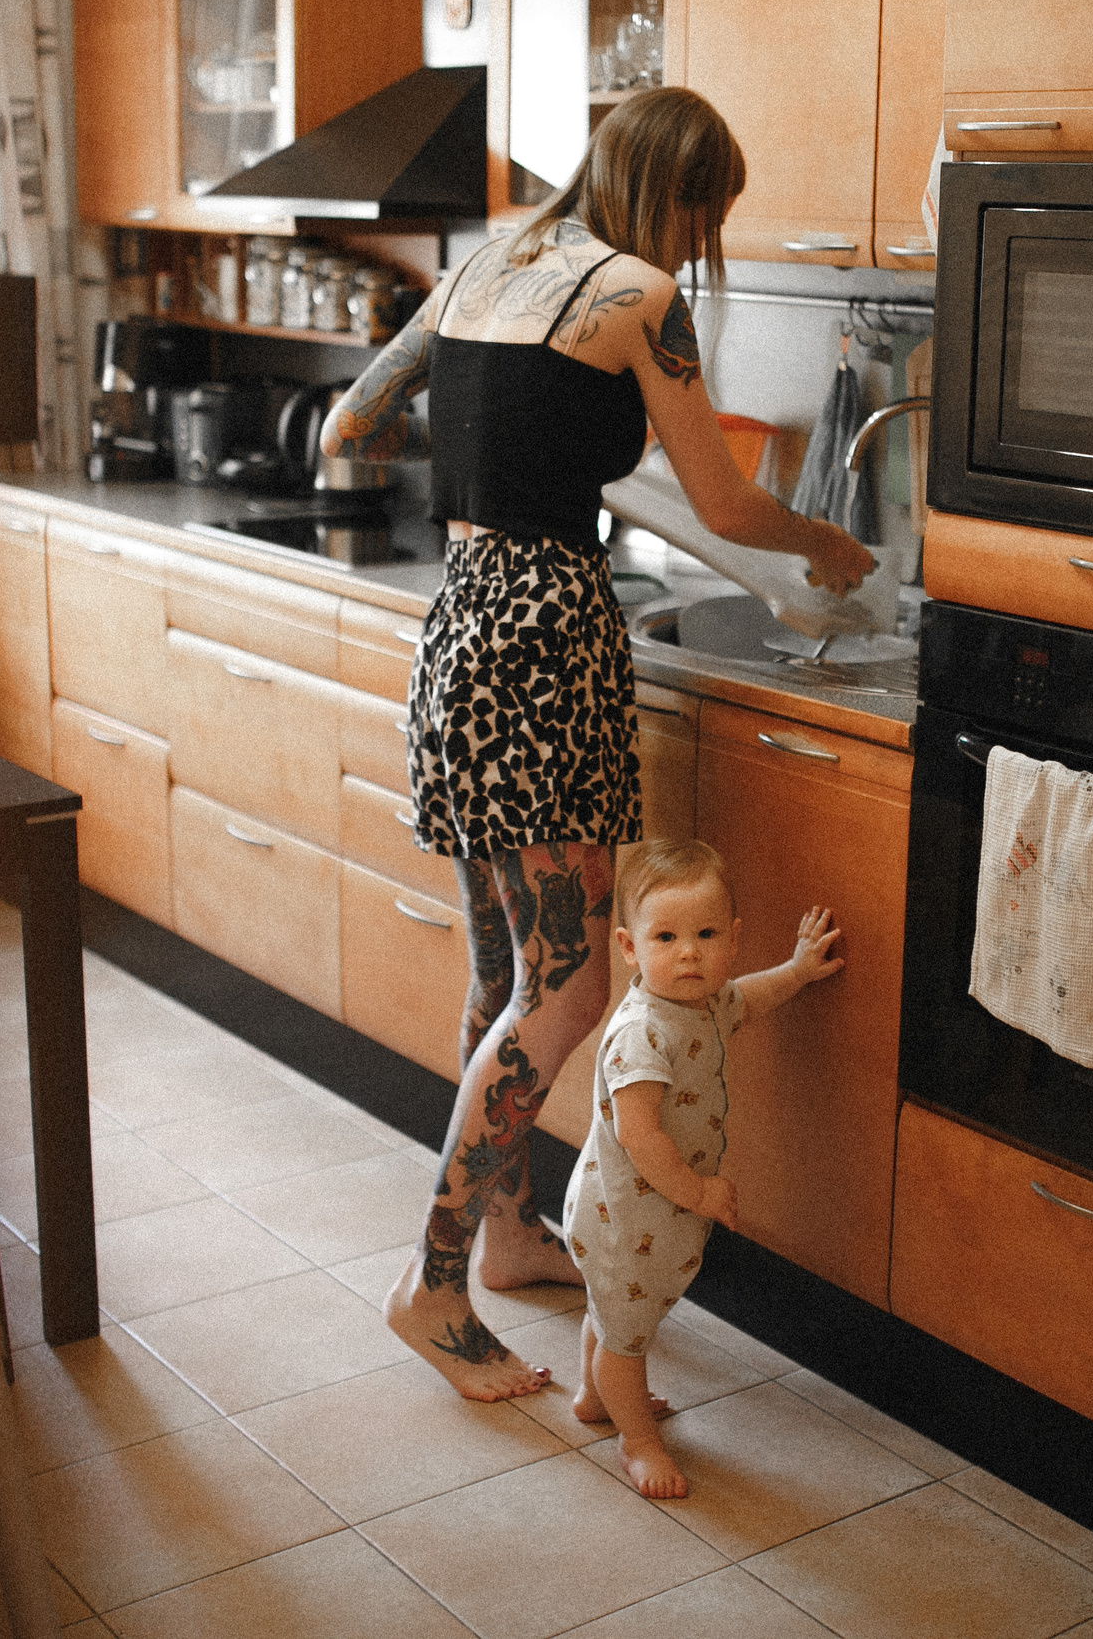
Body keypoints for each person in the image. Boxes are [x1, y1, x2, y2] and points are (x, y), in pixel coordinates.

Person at [319, 86, 877, 1402]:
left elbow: (354, 418)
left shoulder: (484, 262)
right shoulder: (637, 294)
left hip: (457, 631)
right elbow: (735, 500)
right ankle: (434, 1279)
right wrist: (829, 544)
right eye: (707, 214)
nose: (702, 242)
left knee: (508, 969)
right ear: (680, 194)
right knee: (565, 990)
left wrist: (523, 458)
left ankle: (509, 1234)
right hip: (545, 647)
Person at [564, 838, 843, 1498]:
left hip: (639, 1214)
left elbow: (748, 998)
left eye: (706, 933)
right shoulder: (643, 1033)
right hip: (627, 1213)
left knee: (615, 1313)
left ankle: (592, 1397)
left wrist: (799, 971)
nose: (689, 951)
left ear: (733, 938)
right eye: (667, 936)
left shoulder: (701, 1003)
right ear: (630, 947)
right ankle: (636, 1440)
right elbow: (641, 1137)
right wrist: (700, 1191)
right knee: (626, 1338)